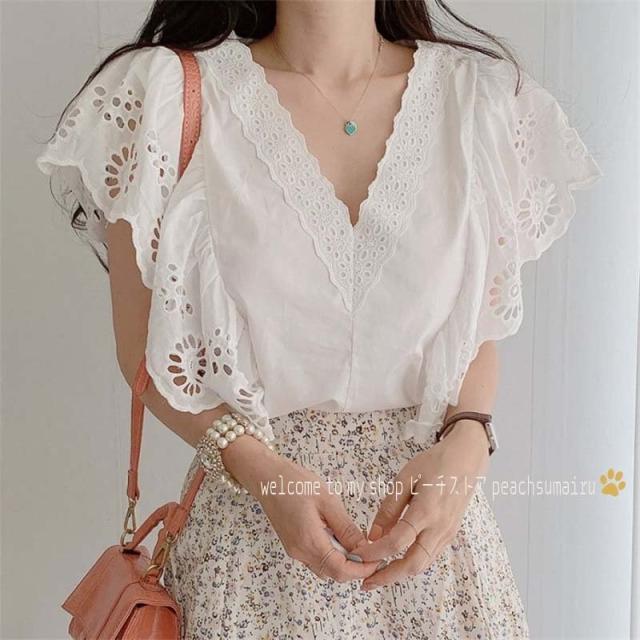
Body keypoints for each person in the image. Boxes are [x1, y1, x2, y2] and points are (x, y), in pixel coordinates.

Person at [36, 0, 603, 637]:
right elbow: (143, 354)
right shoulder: (165, 95)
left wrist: (469, 442)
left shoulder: (483, 99)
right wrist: (262, 472)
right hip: (250, 547)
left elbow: (475, 326)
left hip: (435, 553)